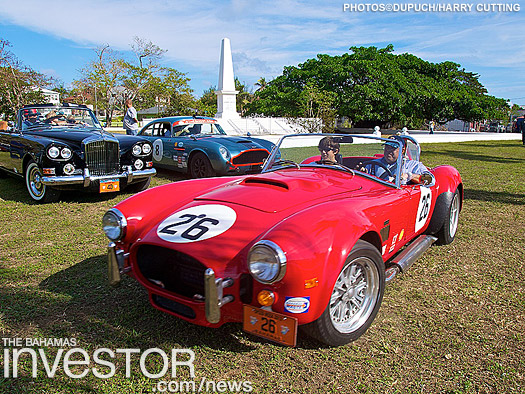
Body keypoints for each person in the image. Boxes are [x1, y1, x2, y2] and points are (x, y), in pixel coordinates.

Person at [361, 135, 431, 185]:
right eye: (387, 147)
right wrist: (362, 173)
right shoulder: (373, 164)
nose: (388, 151)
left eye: (392, 148)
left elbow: (430, 180)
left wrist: (409, 176)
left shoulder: (412, 165)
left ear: (402, 150)